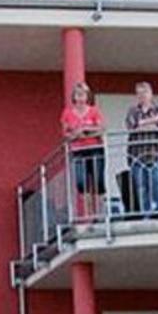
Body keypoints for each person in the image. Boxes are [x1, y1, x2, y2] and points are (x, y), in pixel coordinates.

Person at [60, 82, 108, 219]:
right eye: (78, 95)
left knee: (98, 181)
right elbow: (66, 134)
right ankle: (89, 215)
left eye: (83, 95)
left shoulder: (94, 111)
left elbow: (101, 129)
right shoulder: (67, 113)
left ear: (87, 96)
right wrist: (77, 134)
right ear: (74, 97)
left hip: (95, 148)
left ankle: (100, 215)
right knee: (82, 183)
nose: (80, 98)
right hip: (78, 150)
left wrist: (85, 132)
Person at [125, 82, 158, 215]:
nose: (142, 96)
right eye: (139, 93)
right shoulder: (132, 111)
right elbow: (131, 126)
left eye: (145, 92)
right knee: (141, 188)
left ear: (151, 94)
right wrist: (151, 122)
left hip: (156, 154)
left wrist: (141, 124)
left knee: (157, 182)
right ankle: (147, 216)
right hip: (136, 155)